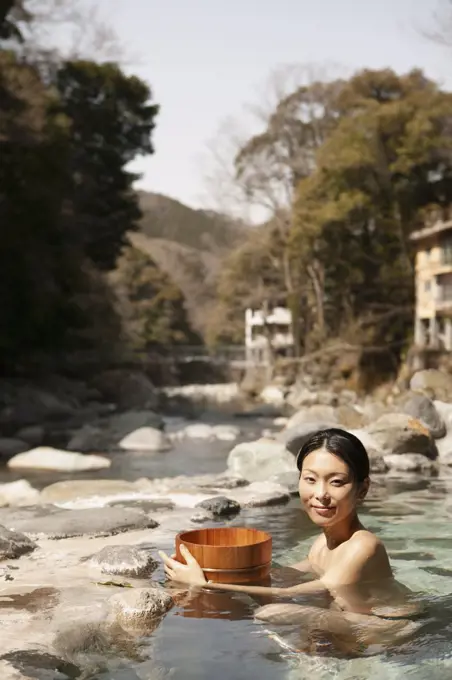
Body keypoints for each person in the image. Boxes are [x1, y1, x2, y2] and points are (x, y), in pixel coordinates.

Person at [159, 428, 423, 652]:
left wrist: (205, 584)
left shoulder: (363, 545)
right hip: (349, 626)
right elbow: (280, 577)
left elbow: (292, 593)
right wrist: (213, 567)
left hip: (388, 632)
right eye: (310, 479)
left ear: (362, 489)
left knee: (270, 612)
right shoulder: (321, 544)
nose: (321, 493)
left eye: (337, 482)